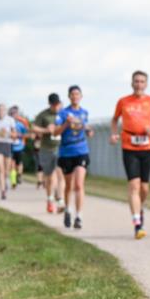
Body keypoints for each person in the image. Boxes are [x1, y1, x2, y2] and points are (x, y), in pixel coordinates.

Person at [111, 71, 150, 239]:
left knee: (144, 188)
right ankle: (137, 224)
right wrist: (114, 133)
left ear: (146, 84)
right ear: (132, 83)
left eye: (142, 82)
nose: (139, 84)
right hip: (129, 146)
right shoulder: (123, 101)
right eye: (136, 81)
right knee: (134, 186)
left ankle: (139, 208)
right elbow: (114, 119)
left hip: (147, 147)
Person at [55, 85, 94, 229]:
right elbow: (55, 132)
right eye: (72, 94)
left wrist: (90, 132)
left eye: (78, 94)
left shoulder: (84, 113)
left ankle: (79, 217)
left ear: (81, 96)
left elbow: (86, 128)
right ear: (69, 97)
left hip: (81, 151)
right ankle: (67, 210)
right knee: (69, 186)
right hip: (66, 153)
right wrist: (66, 123)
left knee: (79, 184)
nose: (75, 96)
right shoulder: (63, 113)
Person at [33, 94, 65, 213]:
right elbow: (34, 128)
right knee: (50, 176)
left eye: (57, 104)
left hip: (60, 148)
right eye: (53, 104)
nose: (56, 106)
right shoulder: (43, 115)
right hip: (46, 149)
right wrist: (46, 130)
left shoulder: (63, 114)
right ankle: (50, 199)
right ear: (50, 104)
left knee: (60, 174)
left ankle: (61, 200)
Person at [0, 104, 17, 199]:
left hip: (7, 144)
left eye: (2, 110)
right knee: (0, 168)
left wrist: (8, 133)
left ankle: (5, 182)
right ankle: (2, 191)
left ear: (5, 111)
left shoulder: (10, 120)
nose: (0, 112)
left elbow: (14, 134)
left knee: (6, 170)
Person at [8, 105, 30, 189]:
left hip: (19, 147)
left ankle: (19, 175)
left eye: (15, 113)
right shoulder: (8, 124)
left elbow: (28, 134)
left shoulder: (21, 124)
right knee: (11, 165)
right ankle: (13, 182)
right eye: (12, 113)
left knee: (19, 163)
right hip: (10, 146)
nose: (13, 115)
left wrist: (19, 135)